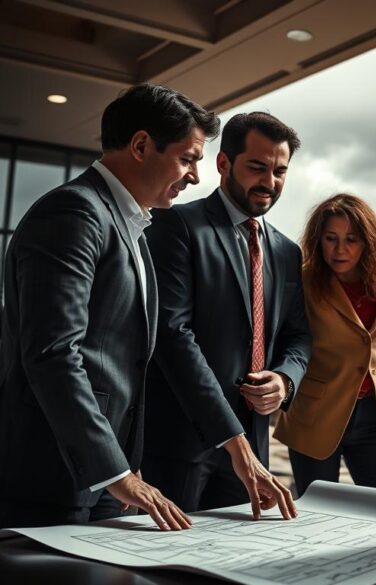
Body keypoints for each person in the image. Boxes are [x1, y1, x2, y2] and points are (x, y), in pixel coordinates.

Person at [0, 84, 218, 530]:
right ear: (140, 145)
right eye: (188, 158)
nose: (195, 175)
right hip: (51, 476)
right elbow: (53, 353)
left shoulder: (130, 224)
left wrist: (122, 467)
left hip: (105, 479)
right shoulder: (74, 213)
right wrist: (115, 471)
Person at [142, 112, 310, 518]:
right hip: (184, 442)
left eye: (280, 171)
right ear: (223, 164)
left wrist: (285, 380)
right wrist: (229, 435)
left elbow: (298, 337)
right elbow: (172, 335)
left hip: (255, 442)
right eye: (257, 167)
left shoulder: (287, 252)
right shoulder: (176, 226)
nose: (270, 182)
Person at [274, 194, 376, 497]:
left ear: (367, 242)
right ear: (318, 239)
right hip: (316, 415)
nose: (340, 249)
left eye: (351, 239)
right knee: (317, 518)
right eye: (331, 238)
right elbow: (288, 338)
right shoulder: (303, 280)